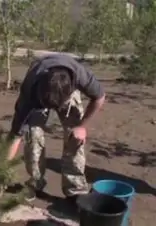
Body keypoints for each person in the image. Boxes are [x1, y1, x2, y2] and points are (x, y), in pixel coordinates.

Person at [6, 54, 106, 204]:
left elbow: (99, 97)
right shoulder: (29, 91)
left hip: (66, 91)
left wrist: (82, 126)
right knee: (32, 135)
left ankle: (75, 188)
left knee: (76, 136)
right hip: (38, 96)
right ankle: (35, 182)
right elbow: (15, 135)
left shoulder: (79, 75)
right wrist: (1, 169)